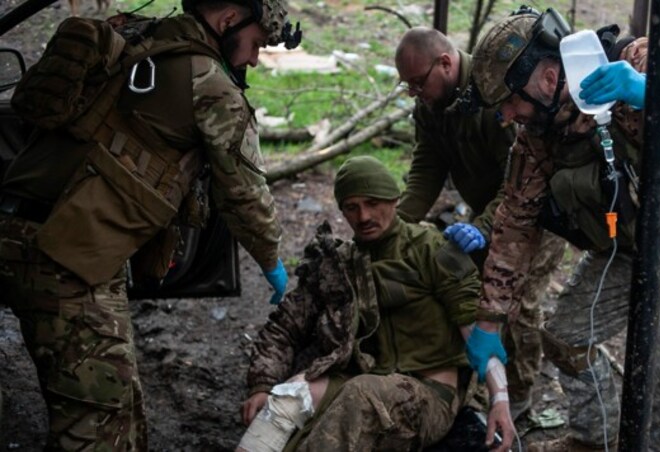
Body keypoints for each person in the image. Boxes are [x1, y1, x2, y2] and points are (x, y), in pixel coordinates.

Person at [0, 0, 297, 448]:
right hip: (66, 261)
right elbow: (245, 194)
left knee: (122, 409)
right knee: (99, 429)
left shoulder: (135, 34)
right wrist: (272, 259)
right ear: (229, 19)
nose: (255, 58)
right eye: (256, 44)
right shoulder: (210, 84)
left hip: (18, 231)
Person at [464, 6, 660, 450]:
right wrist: (489, 321)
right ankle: (597, 437)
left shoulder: (634, 62)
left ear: (547, 78)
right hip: (633, 249)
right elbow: (516, 224)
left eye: (510, 101)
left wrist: (658, 90)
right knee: (565, 339)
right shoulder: (538, 139)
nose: (507, 115)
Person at [238, 156, 516, 452]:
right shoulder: (339, 265)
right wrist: (262, 384)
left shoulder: (431, 249)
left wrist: (500, 400)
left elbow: (478, 334)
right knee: (287, 400)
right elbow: (285, 326)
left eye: (373, 203)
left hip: (430, 394)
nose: (364, 216)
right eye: (352, 207)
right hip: (363, 379)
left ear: (394, 199)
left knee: (362, 395)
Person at [394, 26, 565, 420]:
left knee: (518, 305)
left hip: (534, 216)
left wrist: (485, 228)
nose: (415, 92)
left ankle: (518, 393)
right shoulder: (432, 105)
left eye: (419, 82)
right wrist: (399, 222)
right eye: (409, 86)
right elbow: (428, 164)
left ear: (446, 63)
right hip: (485, 213)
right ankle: (477, 378)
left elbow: (521, 184)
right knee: (474, 293)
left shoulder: (498, 95)